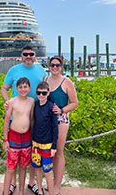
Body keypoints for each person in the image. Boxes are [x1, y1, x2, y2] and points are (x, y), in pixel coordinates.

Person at [0, 45, 47, 194]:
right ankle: (12, 184)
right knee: (13, 159)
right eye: (25, 54)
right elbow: (3, 88)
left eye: (31, 54)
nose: (28, 56)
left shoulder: (41, 70)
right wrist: (8, 102)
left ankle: (31, 182)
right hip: (16, 118)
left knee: (32, 153)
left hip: (35, 116)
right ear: (21, 55)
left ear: (35, 55)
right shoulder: (13, 70)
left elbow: (48, 88)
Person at [44, 56, 78, 195]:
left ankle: (57, 185)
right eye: (52, 65)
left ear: (62, 67)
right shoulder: (45, 80)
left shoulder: (67, 82)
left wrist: (62, 110)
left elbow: (74, 103)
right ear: (49, 66)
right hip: (47, 119)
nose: (55, 67)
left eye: (57, 65)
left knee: (58, 152)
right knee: (48, 152)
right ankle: (50, 182)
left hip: (61, 119)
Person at [2, 77, 35, 195]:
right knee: (11, 168)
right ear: (16, 89)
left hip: (26, 139)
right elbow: (6, 121)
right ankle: (6, 192)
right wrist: (5, 140)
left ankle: (21, 192)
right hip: (14, 138)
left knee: (23, 167)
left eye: (25, 87)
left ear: (29, 88)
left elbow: (31, 119)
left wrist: (33, 138)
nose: (23, 89)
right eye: (20, 87)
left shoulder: (31, 101)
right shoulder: (12, 102)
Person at [31, 81, 58, 195]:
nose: (41, 95)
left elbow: (55, 128)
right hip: (35, 143)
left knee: (47, 171)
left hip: (47, 144)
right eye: (38, 93)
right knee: (37, 168)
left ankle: (51, 192)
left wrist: (54, 146)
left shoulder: (52, 107)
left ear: (48, 93)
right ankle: (40, 190)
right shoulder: (35, 105)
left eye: (43, 93)